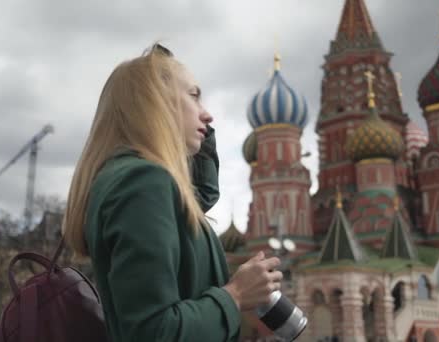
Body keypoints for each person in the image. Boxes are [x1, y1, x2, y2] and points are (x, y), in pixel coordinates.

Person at [62, 44, 282, 341]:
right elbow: (152, 331)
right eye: (194, 95)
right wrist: (236, 295)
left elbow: (196, 199)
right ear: (157, 104)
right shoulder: (142, 183)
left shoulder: (141, 182)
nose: (208, 116)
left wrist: (192, 134)